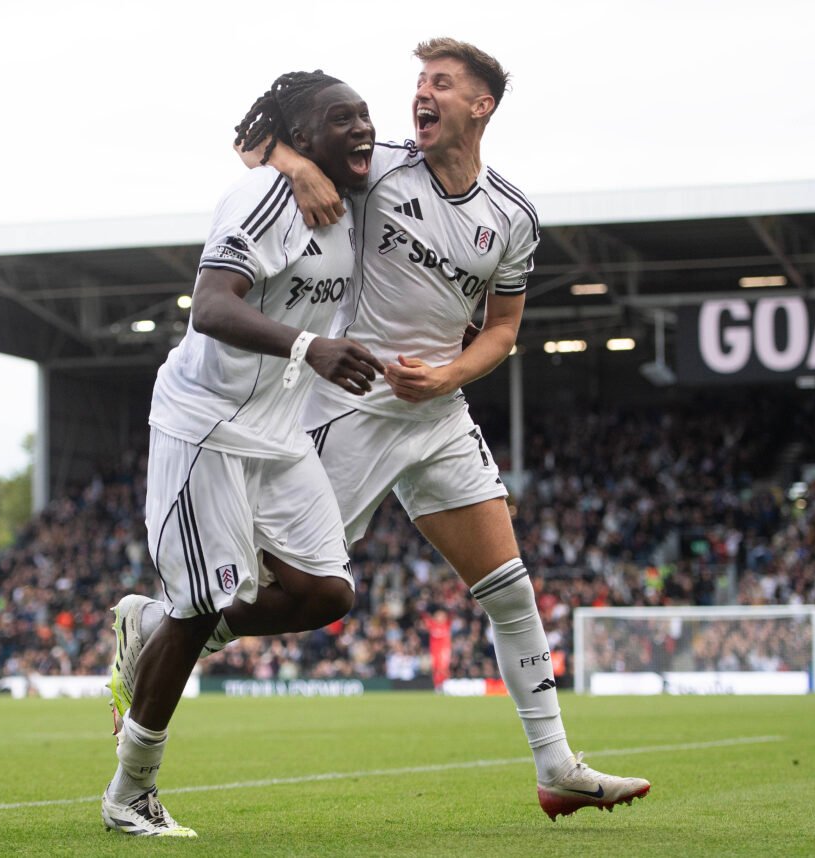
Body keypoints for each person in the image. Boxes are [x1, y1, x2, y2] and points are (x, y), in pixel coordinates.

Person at [242, 37, 651, 820]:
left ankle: (557, 766)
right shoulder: (376, 168)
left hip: (438, 413)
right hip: (350, 406)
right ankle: (159, 627)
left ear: (480, 105)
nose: (420, 95)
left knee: (509, 587)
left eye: (440, 83)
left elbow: (502, 330)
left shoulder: (513, 216)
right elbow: (252, 139)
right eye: (418, 83)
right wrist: (293, 165)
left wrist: (447, 376)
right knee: (280, 588)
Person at [100, 70, 383, 838]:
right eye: (340, 119)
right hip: (208, 424)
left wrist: (285, 153)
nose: (361, 128)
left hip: (275, 430)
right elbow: (212, 305)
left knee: (328, 593)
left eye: (365, 116)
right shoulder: (262, 195)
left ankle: (151, 624)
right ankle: (131, 795)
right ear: (299, 135)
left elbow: (255, 138)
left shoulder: (353, 185)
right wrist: (312, 348)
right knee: (200, 609)